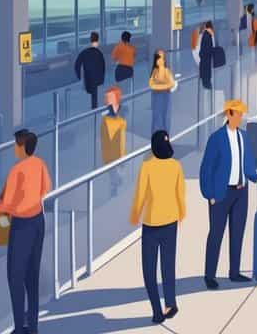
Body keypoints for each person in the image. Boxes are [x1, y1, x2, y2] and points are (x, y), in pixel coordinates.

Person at [199, 100, 257, 289]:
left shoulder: (243, 137)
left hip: (241, 192)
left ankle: (234, 272)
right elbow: (206, 168)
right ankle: (209, 275)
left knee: (237, 233)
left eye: (242, 114)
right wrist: (209, 194)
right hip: (221, 194)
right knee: (216, 234)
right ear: (228, 114)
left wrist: (254, 176)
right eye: (237, 114)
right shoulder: (216, 138)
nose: (241, 117)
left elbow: (248, 161)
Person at [0, 130, 51, 334]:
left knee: (15, 278)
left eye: (16, 145)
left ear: (23, 147)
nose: (14, 148)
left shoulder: (16, 170)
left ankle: (19, 328)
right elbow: (46, 188)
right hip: (38, 222)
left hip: (22, 226)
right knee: (31, 277)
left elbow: (6, 205)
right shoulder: (40, 164)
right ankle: (32, 327)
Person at [130, 130, 185, 324]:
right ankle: (171, 304)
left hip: (152, 224)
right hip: (171, 222)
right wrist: (181, 214)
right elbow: (180, 194)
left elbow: (140, 196)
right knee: (168, 267)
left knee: (149, 270)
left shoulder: (147, 167)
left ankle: (157, 311)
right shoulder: (176, 166)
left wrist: (134, 216)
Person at [101, 86, 127, 197]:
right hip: (112, 156)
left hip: (114, 156)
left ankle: (114, 187)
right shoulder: (109, 121)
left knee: (115, 175)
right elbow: (106, 141)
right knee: (115, 175)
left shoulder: (114, 121)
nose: (106, 102)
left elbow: (119, 142)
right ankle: (114, 187)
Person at [74, 32, 106, 109]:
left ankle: (93, 108)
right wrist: (101, 79)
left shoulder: (85, 52)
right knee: (94, 93)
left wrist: (79, 76)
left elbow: (77, 64)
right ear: (98, 41)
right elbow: (102, 66)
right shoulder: (99, 53)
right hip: (96, 78)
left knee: (91, 91)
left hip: (88, 77)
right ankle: (94, 108)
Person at [149, 50, 175, 135]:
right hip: (156, 98)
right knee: (156, 118)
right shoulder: (155, 72)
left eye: (162, 57)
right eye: (159, 57)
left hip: (164, 97)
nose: (161, 60)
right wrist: (164, 86)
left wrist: (159, 87)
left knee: (164, 118)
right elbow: (151, 85)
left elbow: (171, 83)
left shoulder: (166, 71)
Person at [198, 21, 216, 90]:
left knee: (206, 80)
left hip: (205, 60)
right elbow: (209, 48)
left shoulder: (206, 34)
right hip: (206, 60)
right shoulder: (208, 35)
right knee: (207, 82)